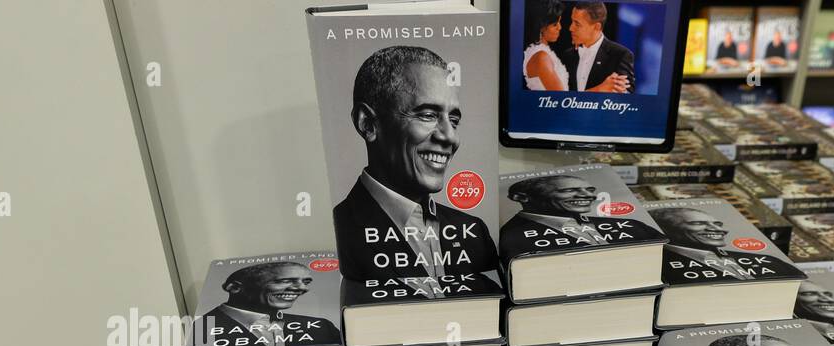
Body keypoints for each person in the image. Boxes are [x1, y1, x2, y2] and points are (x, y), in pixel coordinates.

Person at [333, 45, 498, 283]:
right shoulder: (339, 233)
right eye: (427, 115)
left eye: (454, 120)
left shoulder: (474, 231)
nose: (450, 137)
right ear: (367, 123)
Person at [500, 173, 665, 255]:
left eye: (590, 190)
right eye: (570, 190)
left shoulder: (633, 226)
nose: (587, 196)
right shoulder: (509, 238)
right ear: (521, 197)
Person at [196, 261, 341, 346]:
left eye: (306, 282)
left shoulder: (322, 327)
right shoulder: (200, 330)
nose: (302, 288)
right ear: (234, 288)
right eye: (284, 281)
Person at [651, 206, 796, 281]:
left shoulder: (770, 262)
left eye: (718, 224)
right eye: (697, 223)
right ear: (666, 228)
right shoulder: (654, 268)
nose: (719, 230)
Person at [562, 3, 632, 93]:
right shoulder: (568, 55)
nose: (570, 28)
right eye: (572, 21)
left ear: (596, 27)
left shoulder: (620, 55)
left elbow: (627, 98)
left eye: (577, 24)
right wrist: (599, 89)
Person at [523, 0, 569, 90]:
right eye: (555, 24)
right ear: (542, 27)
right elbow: (561, 98)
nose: (560, 27)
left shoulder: (540, 52)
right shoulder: (541, 57)